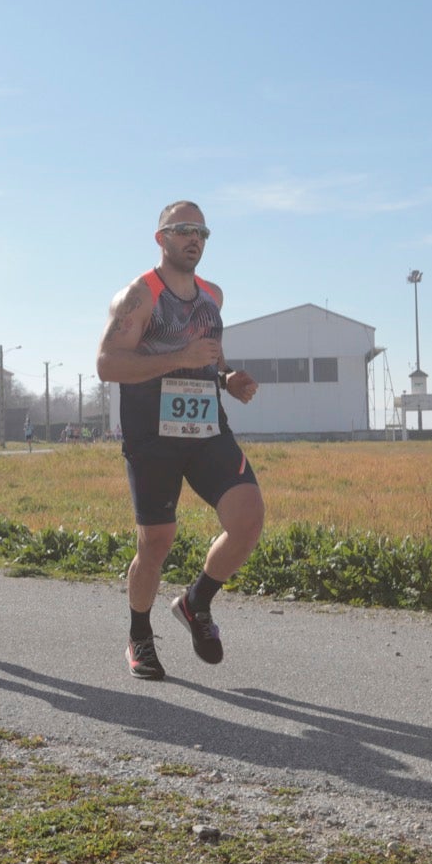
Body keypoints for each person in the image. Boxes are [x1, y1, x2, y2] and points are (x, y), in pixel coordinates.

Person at [96, 201, 264, 681]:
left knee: (248, 519)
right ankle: (140, 635)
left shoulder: (212, 294)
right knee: (156, 542)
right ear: (161, 238)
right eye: (184, 229)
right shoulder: (140, 296)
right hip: (152, 433)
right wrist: (178, 357)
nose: (195, 238)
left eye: (202, 232)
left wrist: (229, 376)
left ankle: (196, 603)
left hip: (207, 426)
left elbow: (212, 355)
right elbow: (108, 363)